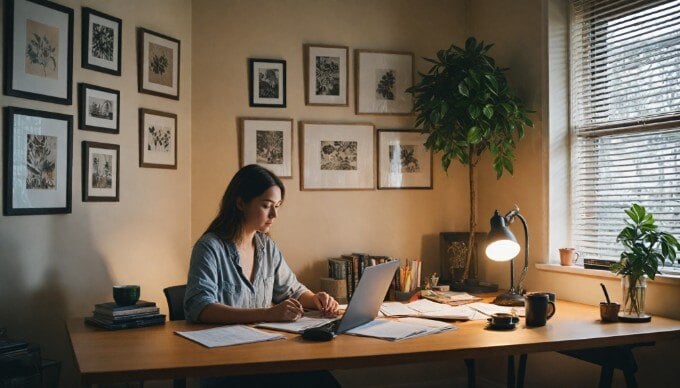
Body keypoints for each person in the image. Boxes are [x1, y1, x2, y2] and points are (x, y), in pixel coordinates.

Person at [184, 164, 340, 387]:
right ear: (240, 203)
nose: (274, 214)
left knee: (324, 381)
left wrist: (316, 299)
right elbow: (200, 308)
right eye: (266, 206)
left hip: (265, 356)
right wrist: (268, 313)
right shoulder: (210, 247)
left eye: (277, 206)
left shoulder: (266, 246)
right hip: (227, 367)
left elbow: (292, 289)